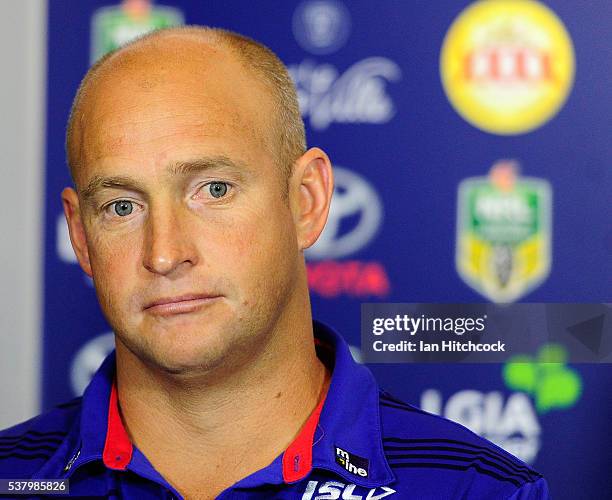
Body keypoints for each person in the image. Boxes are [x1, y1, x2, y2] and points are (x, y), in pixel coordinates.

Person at [0, 26, 549, 499]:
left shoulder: (476, 489)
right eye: (122, 206)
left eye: (212, 189)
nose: (164, 254)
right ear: (79, 234)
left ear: (306, 200)